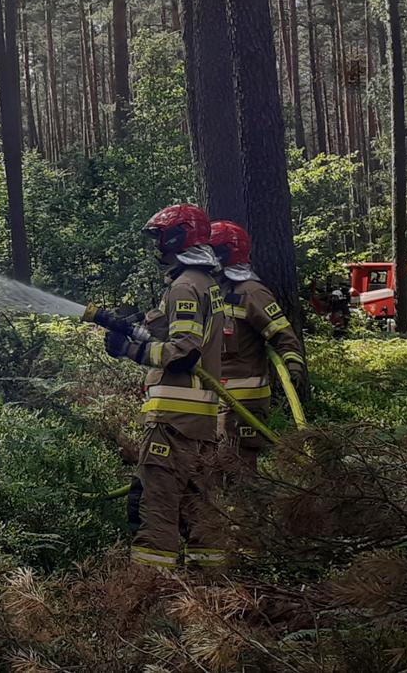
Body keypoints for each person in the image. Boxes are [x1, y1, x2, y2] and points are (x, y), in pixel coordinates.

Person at [107, 203, 230, 570]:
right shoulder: (207, 285)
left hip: (174, 422)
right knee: (200, 508)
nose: (157, 245)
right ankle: (211, 588)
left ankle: (150, 590)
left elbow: (183, 354)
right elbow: (189, 336)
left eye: (160, 237)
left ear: (176, 238)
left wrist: (129, 349)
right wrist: (137, 327)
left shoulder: (184, 287)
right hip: (202, 422)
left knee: (155, 506)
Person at [208, 220, 307, 475]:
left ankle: (247, 513)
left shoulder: (252, 292)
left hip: (243, 401)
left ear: (225, 254)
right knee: (217, 470)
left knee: (237, 470)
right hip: (217, 396)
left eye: (211, 250)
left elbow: (282, 334)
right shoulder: (215, 292)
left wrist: (292, 365)